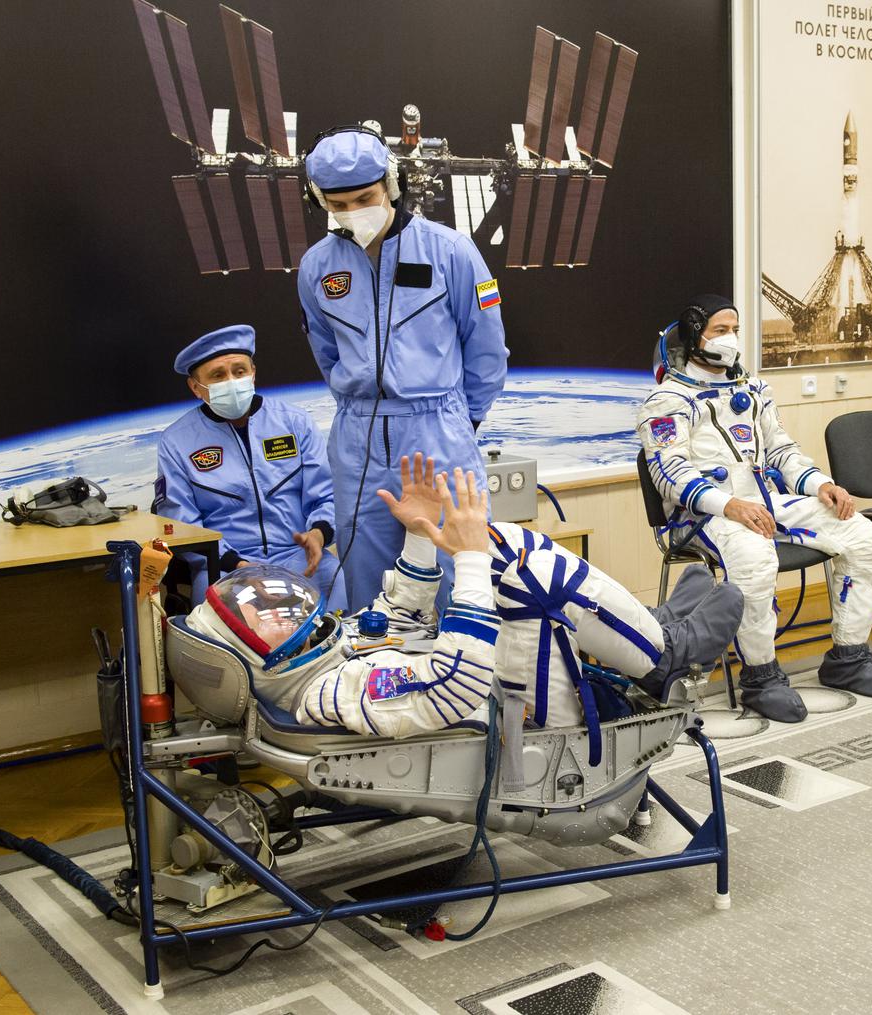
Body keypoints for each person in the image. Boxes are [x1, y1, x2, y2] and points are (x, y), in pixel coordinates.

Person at [185, 455, 742, 738]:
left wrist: (421, 536)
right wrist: (469, 560)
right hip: (512, 722)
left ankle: (644, 629)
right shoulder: (330, 691)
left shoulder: (322, 657)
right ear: (257, 657)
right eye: (262, 621)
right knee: (526, 573)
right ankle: (660, 655)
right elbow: (453, 684)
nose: (280, 614)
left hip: (501, 689)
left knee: (504, 545)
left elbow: (398, 615)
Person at [636, 295, 872, 725]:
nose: (731, 339)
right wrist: (729, 504)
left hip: (763, 502)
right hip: (704, 516)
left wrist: (821, 485)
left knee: (861, 535)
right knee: (755, 558)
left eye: (734, 330)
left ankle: (849, 658)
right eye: (720, 331)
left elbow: (781, 451)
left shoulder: (753, 390)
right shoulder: (666, 401)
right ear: (694, 336)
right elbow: (670, 474)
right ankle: (761, 679)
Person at [297, 125, 509, 612]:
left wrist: (459, 422)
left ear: (392, 185)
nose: (353, 212)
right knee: (367, 585)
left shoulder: (451, 251)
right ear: (319, 201)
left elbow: (487, 352)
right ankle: (377, 664)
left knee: (457, 575)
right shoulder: (316, 268)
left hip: (438, 431)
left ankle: (465, 661)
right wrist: (359, 408)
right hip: (358, 442)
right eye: (338, 204)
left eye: (364, 198)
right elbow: (326, 352)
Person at [154, 325, 346, 609]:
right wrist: (238, 565)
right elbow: (182, 524)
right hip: (223, 566)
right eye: (218, 376)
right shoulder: (176, 442)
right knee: (226, 622)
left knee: (342, 587)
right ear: (196, 387)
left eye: (239, 371)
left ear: (253, 373)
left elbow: (326, 495)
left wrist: (318, 534)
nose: (232, 381)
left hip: (297, 555)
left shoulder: (295, 422)